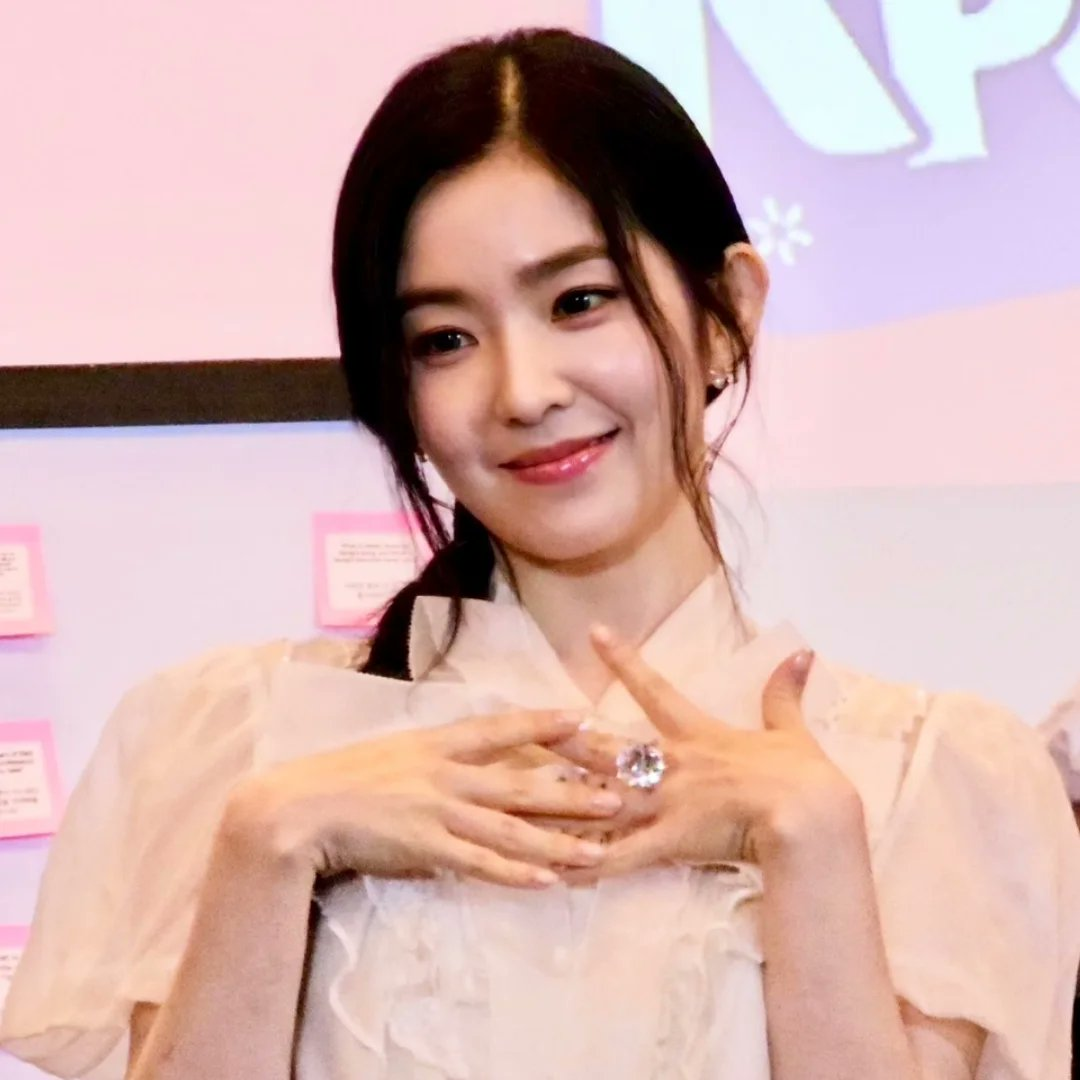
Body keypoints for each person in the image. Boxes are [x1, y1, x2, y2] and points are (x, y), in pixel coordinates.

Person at [3, 27, 1079, 1080]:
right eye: (444, 340)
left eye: (579, 302)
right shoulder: (225, 743)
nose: (522, 392)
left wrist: (811, 844)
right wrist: (274, 843)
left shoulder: (928, 780)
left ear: (725, 313)